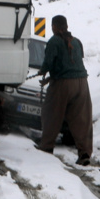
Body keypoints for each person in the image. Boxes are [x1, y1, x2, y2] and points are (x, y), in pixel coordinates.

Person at [36, 14, 93, 165]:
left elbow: (49, 62)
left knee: (51, 113)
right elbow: (72, 64)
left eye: (52, 26)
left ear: (54, 26)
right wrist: (51, 77)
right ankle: (84, 153)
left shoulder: (54, 41)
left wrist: (43, 71)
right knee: (82, 120)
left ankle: (46, 147)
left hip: (63, 84)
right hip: (82, 84)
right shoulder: (77, 42)